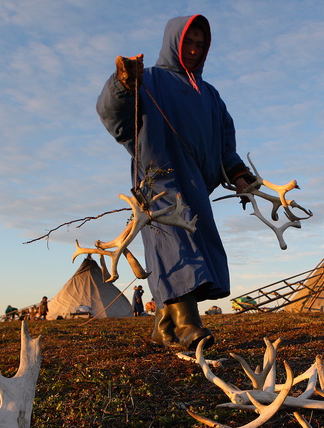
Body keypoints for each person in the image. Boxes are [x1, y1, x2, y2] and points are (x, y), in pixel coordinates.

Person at [97, 14, 254, 349]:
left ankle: (163, 327)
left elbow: (225, 141)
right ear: (174, 42)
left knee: (197, 243)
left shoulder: (210, 96)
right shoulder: (148, 79)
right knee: (175, 242)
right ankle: (188, 326)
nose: (195, 50)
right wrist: (122, 84)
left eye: (200, 45)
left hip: (196, 184)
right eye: (188, 43)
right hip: (158, 175)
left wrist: (239, 174)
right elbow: (114, 117)